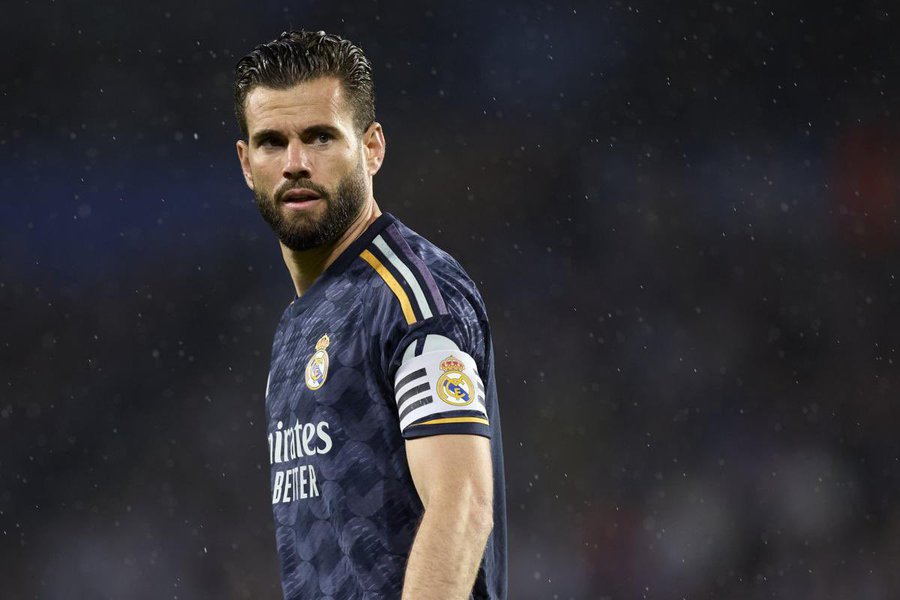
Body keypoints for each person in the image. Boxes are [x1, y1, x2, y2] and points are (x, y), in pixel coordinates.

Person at [232, 31, 507, 599]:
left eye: (320, 137)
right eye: (272, 143)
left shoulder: (408, 298)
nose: (295, 164)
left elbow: (462, 504)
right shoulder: (297, 327)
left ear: (372, 148)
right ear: (246, 163)